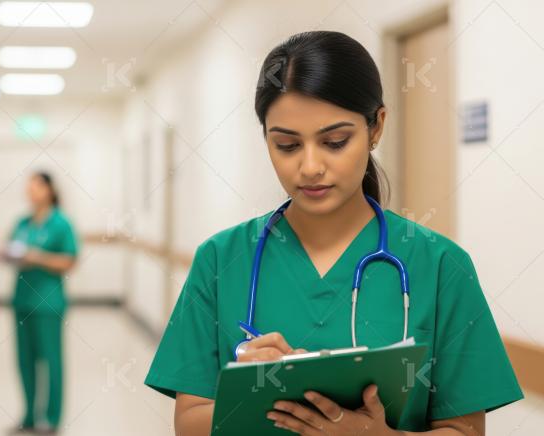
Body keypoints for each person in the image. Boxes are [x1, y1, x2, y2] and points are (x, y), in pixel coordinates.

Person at [144, 31, 523, 435]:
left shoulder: (441, 266)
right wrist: (248, 392)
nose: (309, 166)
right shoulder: (221, 260)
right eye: (287, 145)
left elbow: (465, 430)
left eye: (335, 142)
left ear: (376, 127)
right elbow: (188, 423)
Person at [6, 171, 79, 434]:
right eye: (29, 185)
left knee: (51, 360)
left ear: (49, 190)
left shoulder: (61, 223)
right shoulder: (22, 223)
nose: (30, 190)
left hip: (48, 303)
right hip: (21, 301)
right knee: (24, 360)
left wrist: (37, 257)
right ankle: (28, 415)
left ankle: (51, 418)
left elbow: (69, 260)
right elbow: (11, 250)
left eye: (36, 185)